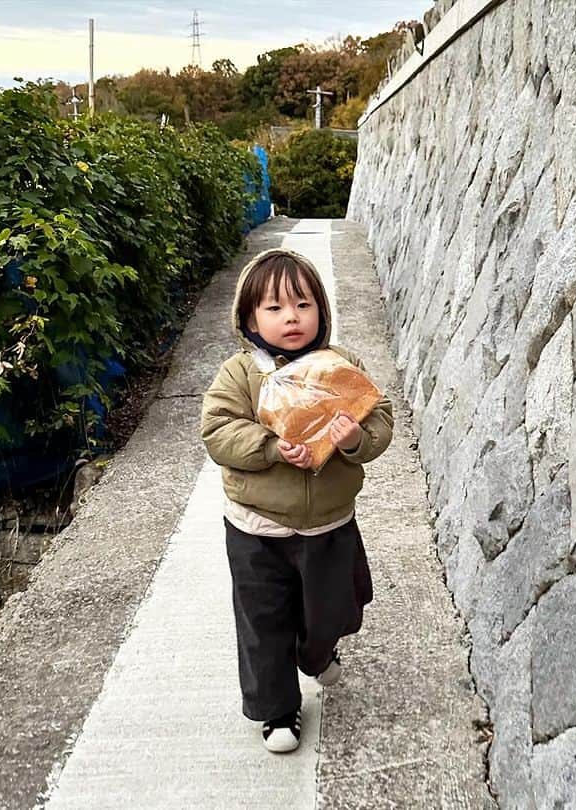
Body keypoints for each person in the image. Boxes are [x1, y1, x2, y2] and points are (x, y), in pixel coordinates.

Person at [200, 247, 394, 753]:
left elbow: (381, 417)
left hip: (329, 524)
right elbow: (218, 430)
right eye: (275, 307)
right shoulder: (241, 375)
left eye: (304, 305)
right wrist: (269, 447)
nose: (292, 317)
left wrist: (353, 440)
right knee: (264, 622)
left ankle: (317, 652)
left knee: (333, 610)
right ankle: (278, 710)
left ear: (321, 312)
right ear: (248, 318)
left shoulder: (341, 368)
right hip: (257, 529)